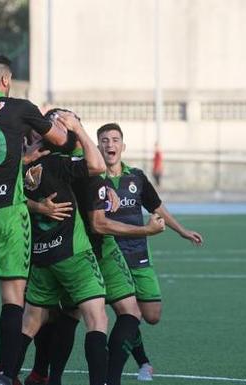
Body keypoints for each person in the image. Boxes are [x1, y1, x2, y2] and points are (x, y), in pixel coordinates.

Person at [21, 109, 166, 385]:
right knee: (118, 314)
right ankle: (106, 380)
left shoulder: (51, 161)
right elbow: (99, 222)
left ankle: (41, 375)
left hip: (56, 250)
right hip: (86, 252)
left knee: (63, 315)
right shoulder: (81, 162)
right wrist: (146, 229)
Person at [0, 53, 68, 385]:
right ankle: (6, 375)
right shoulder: (20, 108)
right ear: (6, 80)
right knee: (13, 298)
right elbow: (60, 139)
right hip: (8, 212)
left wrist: (20, 158)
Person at [97, 123, 204, 381]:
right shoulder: (92, 179)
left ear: (123, 146)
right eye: (104, 140)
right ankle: (128, 366)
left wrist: (181, 230)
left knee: (152, 315)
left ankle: (141, 360)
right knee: (127, 313)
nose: (110, 145)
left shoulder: (137, 177)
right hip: (110, 257)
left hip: (139, 254)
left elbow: (157, 207)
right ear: (98, 146)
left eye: (115, 140)